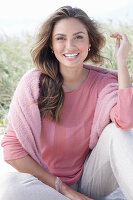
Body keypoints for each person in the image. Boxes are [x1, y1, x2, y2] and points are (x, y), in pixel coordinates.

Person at [0, 5, 133, 200]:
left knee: (118, 132)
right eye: (61, 38)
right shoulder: (34, 84)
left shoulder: (103, 84)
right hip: (47, 184)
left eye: (78, 37)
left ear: (89, 42)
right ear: (51, 46)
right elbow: (12, 150)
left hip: (90, 179)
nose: (70, 46)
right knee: (10, 187)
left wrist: (122, 62)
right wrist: (65, 190)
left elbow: (126, 121)